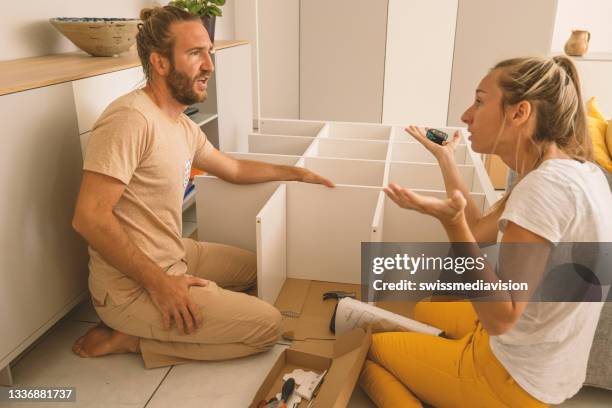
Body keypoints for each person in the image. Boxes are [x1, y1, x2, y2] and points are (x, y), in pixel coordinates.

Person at [71, 6, 334, 369]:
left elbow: (234, 168)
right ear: (160, 63)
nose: (209, 65)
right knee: (266, 327)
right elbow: (89, 218)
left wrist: (294, 172)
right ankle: (134, 339)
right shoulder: (130, 120)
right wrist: (162, 284)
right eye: (195, 53)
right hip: (130, 287)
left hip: (172, 252)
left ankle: (169, 313)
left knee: (257, 268)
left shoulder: (181, 125)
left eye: (208, 52)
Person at [360, 56, 612, 407]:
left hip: (513, 381)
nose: (466, 115)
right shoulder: (578, 171)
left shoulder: (542, 190)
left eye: (479, 101)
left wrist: (452, 225)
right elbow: (479, 230)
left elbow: (501, 318)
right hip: (550, 362)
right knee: (422, 311)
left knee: (367, 350)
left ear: (519, 113)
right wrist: (447, 160)